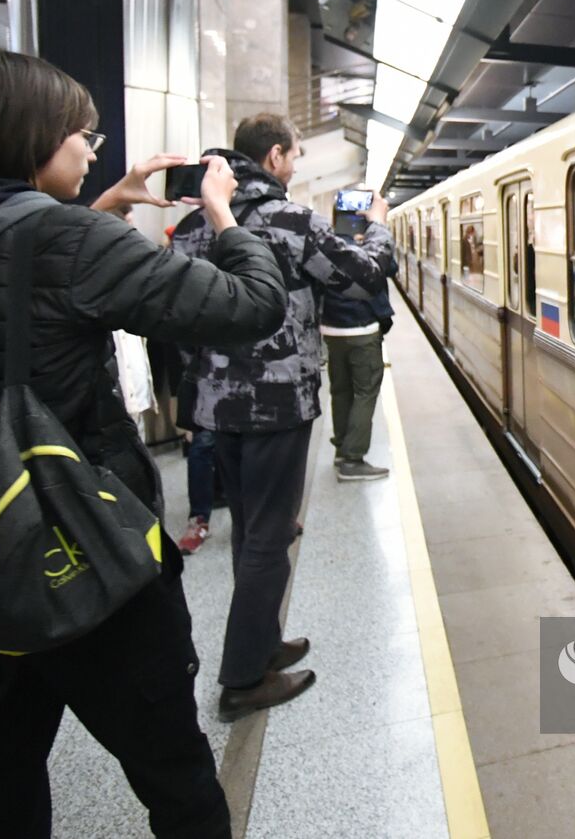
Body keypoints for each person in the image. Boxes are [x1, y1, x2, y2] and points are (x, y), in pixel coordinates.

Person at [0, 49, 287, 839]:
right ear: (32, 139)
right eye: (83, 134)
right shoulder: (67, 242)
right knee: (178, 781)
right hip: (87, 566)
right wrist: (223, 211)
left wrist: (98, 216)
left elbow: (4, 286)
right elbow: (252, 306)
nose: (93, 151)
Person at [172, 113, 394, 721]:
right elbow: (365, 277)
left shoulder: (193, 227)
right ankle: (243, 679)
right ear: (273, 158)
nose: (296, 165)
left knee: (250, 526)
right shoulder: (293, 222)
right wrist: (377, 227)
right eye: (293, 155)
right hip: (277, 404)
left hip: (219, 407)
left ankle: (264, 643)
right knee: (271, 537)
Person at [322, 230, 398, 480]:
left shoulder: (325, 248)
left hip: (332, 331)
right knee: (365, 392)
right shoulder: (367, 253)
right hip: (363, 330)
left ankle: (341, 451)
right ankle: (353, 459)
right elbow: (390, 266)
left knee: (340, 390)